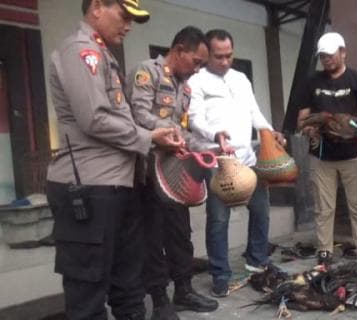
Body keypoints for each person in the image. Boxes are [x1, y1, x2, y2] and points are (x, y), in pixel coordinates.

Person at [45, 1, 185, 319]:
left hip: (119, 185)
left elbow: (118, 117)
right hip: (89, 187)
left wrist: (157, 136)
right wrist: (149, 138)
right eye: (123, 16)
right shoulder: (81, 52)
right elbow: (94, 118)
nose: (129, 25)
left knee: (128, 285)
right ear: (96, 7)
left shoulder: (103, 54)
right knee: (88, 293)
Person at [125, 26, 218, 319]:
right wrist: (170, 133)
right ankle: (159, 298)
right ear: (179, 50)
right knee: (152, 236)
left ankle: (184, 289)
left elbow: (185, 130)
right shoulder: (147, 72)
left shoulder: (185, 87)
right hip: (145, 171)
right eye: (196, 62)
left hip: (174, 172)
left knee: (180, 232)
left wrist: (209, 146)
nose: (198, 69)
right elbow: (138, 114)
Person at [187, 29, 285, 298]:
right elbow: (194, 118)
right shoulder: (197, 81)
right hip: (217, 161)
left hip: (247, 158)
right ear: (208, 54)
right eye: (219, 56)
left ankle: (257, 260)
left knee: (261, 211)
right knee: (219, 219)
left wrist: (269, 130)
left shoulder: (241, 79)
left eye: (229, 55)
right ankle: (220, 274)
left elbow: (254, 111)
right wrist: (214, 135)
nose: (225, 61)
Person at [296, 32, 357, 265]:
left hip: (354, 154)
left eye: (330, 55)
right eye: (323, 56)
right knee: (323, 208)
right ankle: (324, 251)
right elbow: (302, 117)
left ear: (343, 52)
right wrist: (309, 128)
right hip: (321, 155)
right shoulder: (312, 82)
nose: (327, 60)